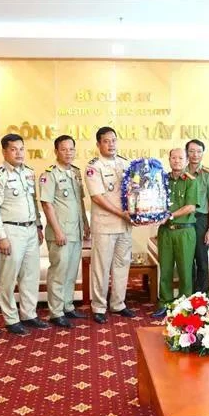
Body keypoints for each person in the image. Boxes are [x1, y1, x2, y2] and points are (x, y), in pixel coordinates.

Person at [0, 133, 48, 335]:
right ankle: (11, 318)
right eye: (14, 149)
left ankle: (29, 314)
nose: (19, 153)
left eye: (21, 149)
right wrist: (1, 236)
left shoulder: (29, 173)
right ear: (4, 151)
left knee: (30, 275)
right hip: (11, 230)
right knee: (8, 277)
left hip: (31, 229)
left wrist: (38, 226)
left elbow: (34, 201)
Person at [84, 127, 135, 324]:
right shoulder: (93, 167)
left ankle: (118, 303)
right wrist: (121, 213)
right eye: (106, 141)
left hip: (125, 225)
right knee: (101, 267)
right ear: (98, 144)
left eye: (113, 140)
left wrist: (136, 212)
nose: (111, 144)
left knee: (122, 265)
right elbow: (97, 197)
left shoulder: (126, 164)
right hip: (105, 225)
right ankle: (98, 306)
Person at [39, 135, 90, 328]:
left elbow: (79, 202)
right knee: (58, 272)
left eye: (71, 149)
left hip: (75, 231)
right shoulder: (49, 174)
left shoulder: (75, 173)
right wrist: (58, 231)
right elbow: (47, 204)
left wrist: (85, 223)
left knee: (70, 272)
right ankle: (56, 311)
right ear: (56, 151)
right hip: (60, 234)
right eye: (64, 149)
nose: (68, 153)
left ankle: (68, 306)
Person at [152, 148, 198, 318]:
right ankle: (164, 302)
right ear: (169, 160)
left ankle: (184, 305)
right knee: (165, 268)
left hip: (184, 231)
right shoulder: (161, 180)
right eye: (174, 158)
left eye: (181, 158)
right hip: (165, 231)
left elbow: (190, 207)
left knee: (185, 270)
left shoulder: (191, 181)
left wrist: (170, 215)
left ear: (186, 161)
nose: (177, 161)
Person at [185, 139, 209, 295]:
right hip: (184, 221)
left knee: (201, 260)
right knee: (186, 260)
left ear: (203, 153)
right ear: (187, 152)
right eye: (192, 151)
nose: (195, 155)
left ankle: (202, 298)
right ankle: (187, 296)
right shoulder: (181, 173)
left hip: (201, 220)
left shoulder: (208, 174)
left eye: (199, 151)